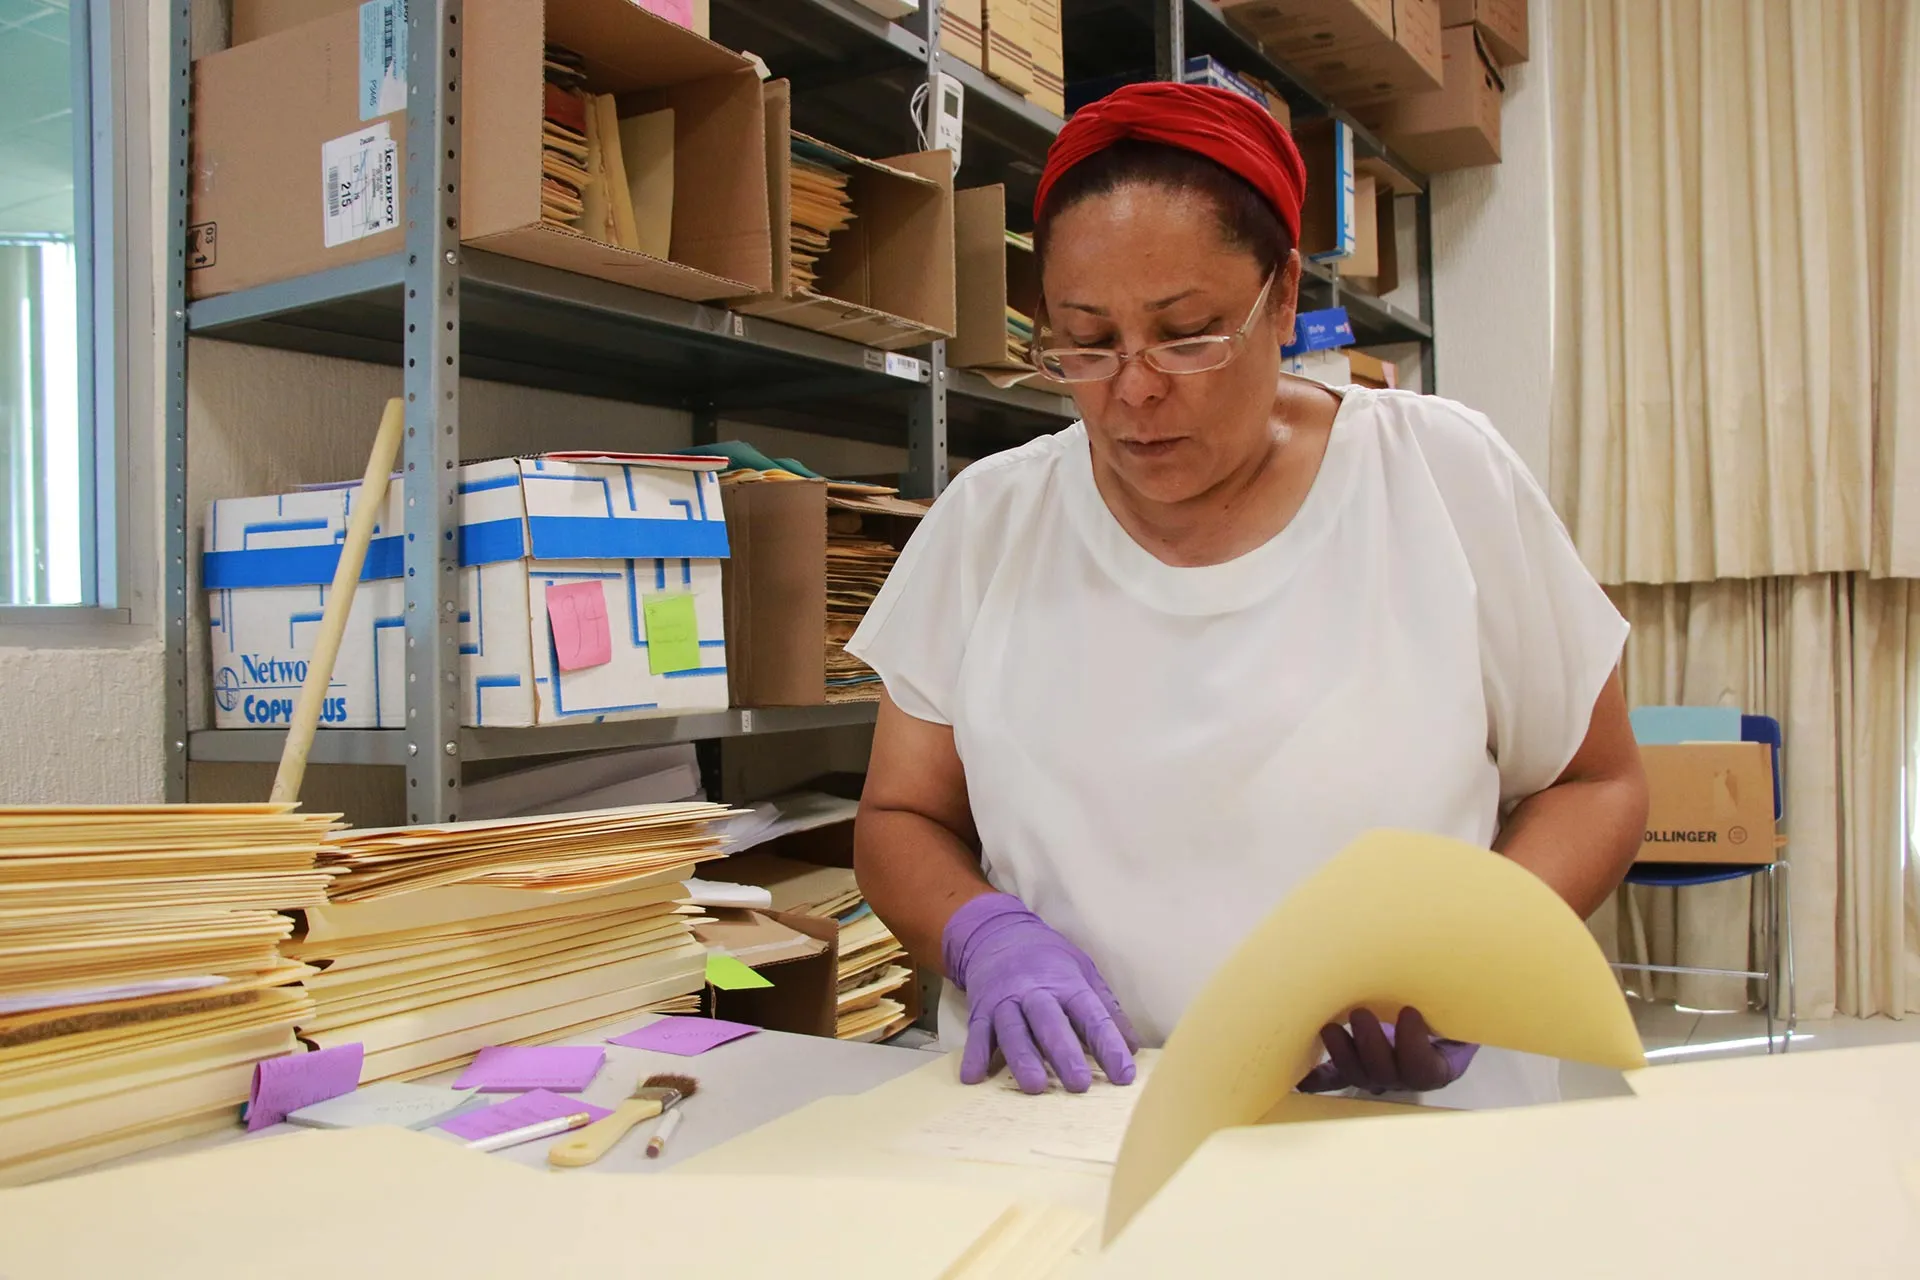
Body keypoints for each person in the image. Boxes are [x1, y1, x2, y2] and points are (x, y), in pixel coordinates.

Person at [846, 83, 1649, 1103]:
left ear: (1285, 296)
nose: (1134, 388)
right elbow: (901, 815)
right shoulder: (990, 521)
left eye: (1187, 333)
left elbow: (1596, 783)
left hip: (1405, 1127)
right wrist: (983, 933)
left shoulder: (1437, 476)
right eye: (1085, 342)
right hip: (1078, 1124)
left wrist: (1476, 957)